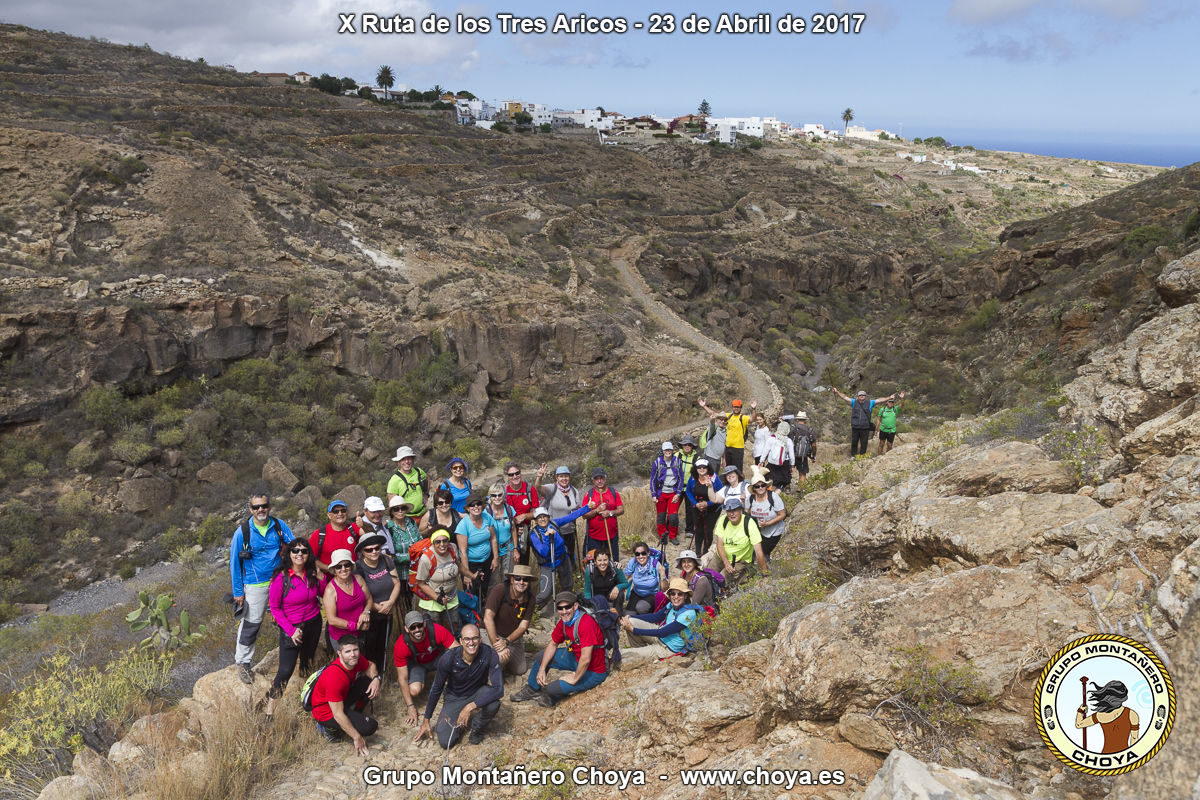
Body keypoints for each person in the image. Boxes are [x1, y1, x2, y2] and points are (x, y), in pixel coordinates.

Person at [229, 492, 294, 684]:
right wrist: (238, 591)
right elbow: (234, 562)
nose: (260, 510)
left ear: (269, 507)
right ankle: (243, 662)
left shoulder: (279, 526)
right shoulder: (243, 531)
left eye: (263, 506)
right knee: (251, 623)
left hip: (279, 580)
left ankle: (290, 654)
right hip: (254, 584)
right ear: (251, 509)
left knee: (288, 617)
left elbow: (293, 547)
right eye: (256, 507)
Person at [511, 592, 608, 707]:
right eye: (560, 608)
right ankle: (532, 688)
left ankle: (551, 697)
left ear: (575, 606)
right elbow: (552, 644)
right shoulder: (564, 622)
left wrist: (575, 678)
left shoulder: (586, 623)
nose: (564, 611)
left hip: (594, 671)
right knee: (541, 657)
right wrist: (542, 669)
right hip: (576, 659)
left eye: (567, 607)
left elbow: (586, 659)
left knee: (551, 689)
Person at [414, 624, 503, 747]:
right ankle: (460, 724)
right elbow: (436, 689)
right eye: (467, 639)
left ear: (480, 639)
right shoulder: (448, 658)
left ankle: (477, 727)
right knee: (446, 742)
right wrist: (426, 719)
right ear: (461, 641)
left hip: (478, 692)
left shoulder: (489, 654)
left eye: (475, 638)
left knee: (494, 703)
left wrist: (470, 707)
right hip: (454, 697)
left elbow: (499, 689)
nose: (471, 643)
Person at [265, 538, 321, 716]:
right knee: (285, 670)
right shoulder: (281, 578)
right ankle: (270, 712)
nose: (300, 554)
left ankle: (305, 697)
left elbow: (322, 591)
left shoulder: (311, 573)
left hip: (314, 622)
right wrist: (291, 631)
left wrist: (321, 577)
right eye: (295, 551)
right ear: (289, 554)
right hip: (292, 627)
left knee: (307, 662)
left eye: (304, 551)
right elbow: (274, 608)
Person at [310, 636, 380, 756]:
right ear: (339, 653)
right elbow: (337, 714)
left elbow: (370, 665)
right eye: (347, 651)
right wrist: (356, 736)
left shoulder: (355, 660)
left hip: (341, 698)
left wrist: (376, 679)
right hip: (326, 711)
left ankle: (354, 715)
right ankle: (328, 729)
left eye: (355, 650)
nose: (353, 654)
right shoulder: (334, 677)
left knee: (368, 681)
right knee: (370, 727)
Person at [394, 610, 458, 726]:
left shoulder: (436, 630)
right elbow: (402, 678)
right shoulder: (401, 645)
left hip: (438, 658)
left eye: (419, 625)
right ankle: (425, 680)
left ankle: (451, 684)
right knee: (414, 690)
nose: (417, 630)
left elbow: (458, 650)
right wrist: (410, 707)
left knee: (454, 661)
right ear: (407, 629)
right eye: (412, 627)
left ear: (424, 624)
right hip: (418, 665)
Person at [619, 577, 700, 665]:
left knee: (622, 653)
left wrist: (634, 630)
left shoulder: (688, 614)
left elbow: (662, 632)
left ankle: (640, 653)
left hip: (667, 648)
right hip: (660, 638)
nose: (676, 597)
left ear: (685, 596)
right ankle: (640, 650)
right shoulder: (671, 605)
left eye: (680, 594)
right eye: (673, 593)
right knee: (631, 621)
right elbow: (655, 617)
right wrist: (630, 616)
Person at [354, 533, 401, 679]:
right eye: (369, 550)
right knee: (368, 648)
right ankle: (367, 677)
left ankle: (380, 676)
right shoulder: (358, 568)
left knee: (383, 646)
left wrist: (390, 603)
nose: (374, 552)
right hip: (369, 615)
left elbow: (397, 582)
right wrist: (378, 608)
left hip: (388, 612)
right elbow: (360, 595)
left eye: (377, 548)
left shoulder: (386, 561)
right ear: (362, 552)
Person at [528, 505, 592, 612]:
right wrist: (548, 537)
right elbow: (544, 552)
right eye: (539, 517)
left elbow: (571, 517)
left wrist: (587, 507)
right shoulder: (534, 535)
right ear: (535, 520)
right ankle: (530, 611)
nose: (543, 519)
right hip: (547, 564)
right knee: (545, 594)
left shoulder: (554, 524)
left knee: (567, 586)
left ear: (548, 517)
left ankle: (565, 608)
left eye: (545, 516)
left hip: (562, 559)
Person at [483, 564, 535, 676]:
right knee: (501, 657)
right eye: (518, 578)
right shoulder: (500, 590)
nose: (521, 582)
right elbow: (488, 618)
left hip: (511, 637)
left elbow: (523, 626)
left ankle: (499, 658)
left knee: (520, 670)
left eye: (525, 579)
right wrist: (497, 645)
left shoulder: (530, 598)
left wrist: (507, 641)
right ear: (512, 579)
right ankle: (489, 668)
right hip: (491, 633)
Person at [710, 498, 768, 589]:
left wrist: (765, 574)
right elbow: (720, 544)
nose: (732, 513)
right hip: (721, 556)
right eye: (729, 511)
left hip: (739, 560)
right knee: (707, 576)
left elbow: (758, 551)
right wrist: (726, 562)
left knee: (720, 581)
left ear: (740, 510)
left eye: (734, 510)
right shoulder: (723, 520)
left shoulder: (749, 524)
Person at [323, 549, 374, 647]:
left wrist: (366, 612)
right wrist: (356, 626)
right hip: (342, 638)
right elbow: (331, 619)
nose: (343, 569)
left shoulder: (358, 579)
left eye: (346, 565)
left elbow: (369, 599)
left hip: (360, 633)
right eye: (339, 566)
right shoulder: (330, 590)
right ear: (334, 569)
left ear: (351, 566)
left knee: (361, 659)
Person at [413, 529, 461, 630]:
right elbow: (421, 584)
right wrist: (437, 598)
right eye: (438, 542)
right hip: (431, 603)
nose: (442, 544)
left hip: (451, 599)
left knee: (453, 630)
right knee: (434, 633)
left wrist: (472, 576)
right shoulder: (426, 558)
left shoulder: (452, 549)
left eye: (445, 540)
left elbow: (459, 565)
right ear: (433, 543)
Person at [1075, 680, 1140, 754]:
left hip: (1105, 755)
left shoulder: (1100, 715)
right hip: (1124, 757)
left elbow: (1079, 724)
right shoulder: (1132, 714)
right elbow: (1134, 739)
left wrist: (1080, 711)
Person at [539, 466, 583, 570]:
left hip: (570, 531)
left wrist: (576, 511)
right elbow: (538, 487)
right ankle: (556, 579)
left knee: (570, 556)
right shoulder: (551, 488)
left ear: (570, 477)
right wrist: (539, 477)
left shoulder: (574, 491)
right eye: (561, 476)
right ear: (556, 478)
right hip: (554, 531)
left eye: (566, 476)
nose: (564, 479)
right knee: (556, 557)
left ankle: (570, 578)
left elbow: (577, 507)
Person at [455, 495, 499, 599]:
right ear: (467, 508)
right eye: (472, 505)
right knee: (472, 593)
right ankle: (473, 615)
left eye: (478, 504)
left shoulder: (487, 517)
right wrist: (466, 574)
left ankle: (485, 613)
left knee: (485, 590)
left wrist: (495, 558)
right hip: (471, 563)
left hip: (487, 560)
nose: (476, 507)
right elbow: (463, 552)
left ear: (482, 506)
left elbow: (493, 538)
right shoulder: (463, 525)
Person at [832, 387, 896, 458]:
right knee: (854, 442)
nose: (861, 396)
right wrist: (837, 392)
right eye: (860, 395)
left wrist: (889, 398)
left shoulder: (870, 403)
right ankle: (853, 456)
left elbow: (880, 400)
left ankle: (862, 457)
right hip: (855, 427)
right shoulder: (853, 402)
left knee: (864, 443)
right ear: (858, 396)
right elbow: (844, 397)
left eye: (863, 395)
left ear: (865, 397)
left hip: (865, 428)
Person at [699, 396, 756, 472]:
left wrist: (754, 409)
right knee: (728, 470)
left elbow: (752, 419)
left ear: (741, 408)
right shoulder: (728, 416)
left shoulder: (743, 418)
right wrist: (704, 406)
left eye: (738, 407)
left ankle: (738, 483)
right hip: (728, 448)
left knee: (737, 470)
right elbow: (714, 414)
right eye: (735, 407)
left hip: (738, 448)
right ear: (732, 407)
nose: (736, 408)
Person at [503, 462, 543, 564]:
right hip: (507, 531)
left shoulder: (529, 489)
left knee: (523, 561)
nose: (515, 476)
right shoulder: (503, 491)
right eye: (511, 475)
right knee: (509, 564)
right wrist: (514, 524)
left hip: (525, 531)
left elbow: (536, 512)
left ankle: (524, 579)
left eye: (517, 473)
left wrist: (525, 516)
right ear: (507, 477)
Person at [581, 467, 624, 562]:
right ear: (593, 480)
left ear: (605, 478)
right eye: (597, 478)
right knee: (593, 562)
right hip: (593, 538)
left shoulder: (613, 492)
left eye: (602, 478)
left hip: (611, 536)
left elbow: (621, 510)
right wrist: (597, 510)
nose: (599, 481)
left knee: (613, 562)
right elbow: (584, 515)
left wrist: (611, 513)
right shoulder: (589, 494)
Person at [309, 500, 360, 575]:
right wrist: (330, 569)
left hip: (354, 578)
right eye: (336, 511)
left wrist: (363, 525)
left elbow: (372, 537)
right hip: (329, 580)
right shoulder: (319, 534)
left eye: (343, 510)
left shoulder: (353, 528)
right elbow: (310, 558)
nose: (340, 513)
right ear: (329, 515)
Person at [686, 457, 723, 559]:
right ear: (696, 469)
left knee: (708, 529)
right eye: (699, 467)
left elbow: (721, 493)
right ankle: (697, 552)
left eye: (704, 467)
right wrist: (695, 504)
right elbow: (688, 491)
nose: (702, 469)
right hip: (697, 507)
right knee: (698, 529)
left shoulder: (714, 478)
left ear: (708, 468)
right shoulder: (693, 478)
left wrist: (708, 503)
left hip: (713, 508)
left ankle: (705, 552)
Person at [746, 469, 787, 561]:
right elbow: (747, 512)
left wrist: (767, 523)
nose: (760, 488)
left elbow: (782, 514)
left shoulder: (774, 497)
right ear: (754, 488)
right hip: (759, 531)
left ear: (766, 486)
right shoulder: (750, 499)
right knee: (754, 552)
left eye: (762, 485)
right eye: (757, 486)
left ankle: (766, 572)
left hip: (774, 531)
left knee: (763, 553)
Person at [650, 441, 685, 544]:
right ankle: (662, 536)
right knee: (661, 516)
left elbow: (681, 479)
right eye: (666, 450)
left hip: (673, 493)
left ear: (672, 450)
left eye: (669, 450)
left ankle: (672, 536)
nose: (668, 452)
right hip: (661, 493)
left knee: (673, 517)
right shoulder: (657, 462)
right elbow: (652, 479)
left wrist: (678, 493)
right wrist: (653, 494)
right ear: (663, 451)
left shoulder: (677, 462)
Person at [485, 483, 518, 590]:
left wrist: (516, 549)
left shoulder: (509, 509)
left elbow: (513, 529)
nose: (497, 498)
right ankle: (491, 604)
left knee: (508, 578)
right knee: (493, 580)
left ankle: (507, 602)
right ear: (490, 497)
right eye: (494, 495)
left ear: (504, 496)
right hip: (492, 550)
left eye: (500, 495)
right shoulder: (486, 512)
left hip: (508, 548)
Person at [387, 445, 429, 522]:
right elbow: (393, 504)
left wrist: (426, 494)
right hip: (407, 518)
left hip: (423, 514)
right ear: (398, 462)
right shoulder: (394, 480)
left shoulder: (419, 471)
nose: (407, 461)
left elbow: (427, 479)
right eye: (403, 459)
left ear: (413, 460)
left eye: (409, 458)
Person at [624, 541, 666, 614]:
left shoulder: (655, 564)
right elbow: (625, 578)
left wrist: (662, 575)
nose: (640, 556)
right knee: (628, 615)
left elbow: (665, 588)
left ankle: (649, 615)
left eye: (643, 553)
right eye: (637, 554)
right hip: (637, 593)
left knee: (641, 608)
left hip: (652, 594)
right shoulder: (633, 562)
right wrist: (619, 588)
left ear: (648, 553)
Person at [582, 549, 628, 616]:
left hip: (611, 595)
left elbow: (625, 583)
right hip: (597, 596)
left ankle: (618, 617)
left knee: (620, 594)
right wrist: (588, 605)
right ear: (595, 562)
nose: (602, 563)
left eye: (605, 560)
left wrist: (617, 587)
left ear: (609, 560)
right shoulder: (590, 571)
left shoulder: (615, 568)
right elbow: (587, 591)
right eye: (599, 560)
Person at [759, 423, 795, 491]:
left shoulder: (771, 438)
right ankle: (776, 495)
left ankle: (771, 496)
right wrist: (792, 465)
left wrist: (761, 461)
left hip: (772, 463)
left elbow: (765, 451)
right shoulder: (788, 441)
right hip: (784, 464)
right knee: (782, 483)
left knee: (773, 481)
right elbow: (791, 456)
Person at [676, 437, 698, 541]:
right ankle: (671, 530)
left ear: (692, 446)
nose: (687, 447)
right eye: (685, 445)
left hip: (690, 488)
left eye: (689, 445)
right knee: (673, 509)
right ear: (682, 446)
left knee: (690, 510)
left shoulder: (696, 458)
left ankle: (689, 530)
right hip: (677, 487)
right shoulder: (677, 455)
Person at [788, 412, 817, 489]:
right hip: (803, 456)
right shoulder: (810, 430)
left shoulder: (792, 428)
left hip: (791, 454)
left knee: (789, 471)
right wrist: (813, 455)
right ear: (805, 420)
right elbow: (813, 445)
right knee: (802, 473)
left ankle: (787, 488)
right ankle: (799, 490)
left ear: (797, 420)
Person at [875, 391, 906, 455]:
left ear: (894, 403)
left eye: (892, 402)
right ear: (887, 402)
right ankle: (879, 457)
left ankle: (887, 457)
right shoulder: (882, 409)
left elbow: (902, 405)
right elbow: (878, 419)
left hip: (891, 430)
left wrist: (902, 398)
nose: (891, 403)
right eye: (890, 401)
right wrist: (876, 429)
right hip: (883, 429)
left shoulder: (895, 409)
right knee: (881, 444)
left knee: (889, 445)